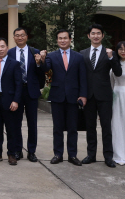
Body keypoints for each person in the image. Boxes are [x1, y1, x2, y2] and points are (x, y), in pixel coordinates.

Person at [42, 29, 87, 166]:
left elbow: (82, 78)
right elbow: (45, 69)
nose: (62, 40)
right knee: (58, 128)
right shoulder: (51, 56)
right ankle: (58, 154)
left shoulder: (78, 57)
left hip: (73, 97)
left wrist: (83, 95)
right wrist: (42, 60)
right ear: (57, 40)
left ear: (70, 39)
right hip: (57, 96)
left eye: (65, 38)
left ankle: (72, 155)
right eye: (60, 38)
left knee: (73, 128)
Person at [80, 24, 121, 167]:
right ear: (88, 36)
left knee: (106, 127)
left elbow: (118, 72)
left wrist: (111, 58)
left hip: (104, 95)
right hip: (88, 96)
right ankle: (91, 155)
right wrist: (81, 94)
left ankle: (108, 157)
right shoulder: (82, 53)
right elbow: (81, 76)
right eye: (93, 33)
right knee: (90, 127)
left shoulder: (110, 53)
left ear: (103, 36)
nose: (96, 36)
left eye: (98, 33)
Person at [7, 27, 45, 162]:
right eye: (17, 35)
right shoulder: (9, 53)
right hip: (16, 93)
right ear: (14, 38)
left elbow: (41, 73)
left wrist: (39, 63)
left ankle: (32, 151)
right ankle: (18, 150)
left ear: (26, 37)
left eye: (22, 35)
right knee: (15, 123)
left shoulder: (35, 52)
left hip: (31, 92)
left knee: (32, 123)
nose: (20, 37)